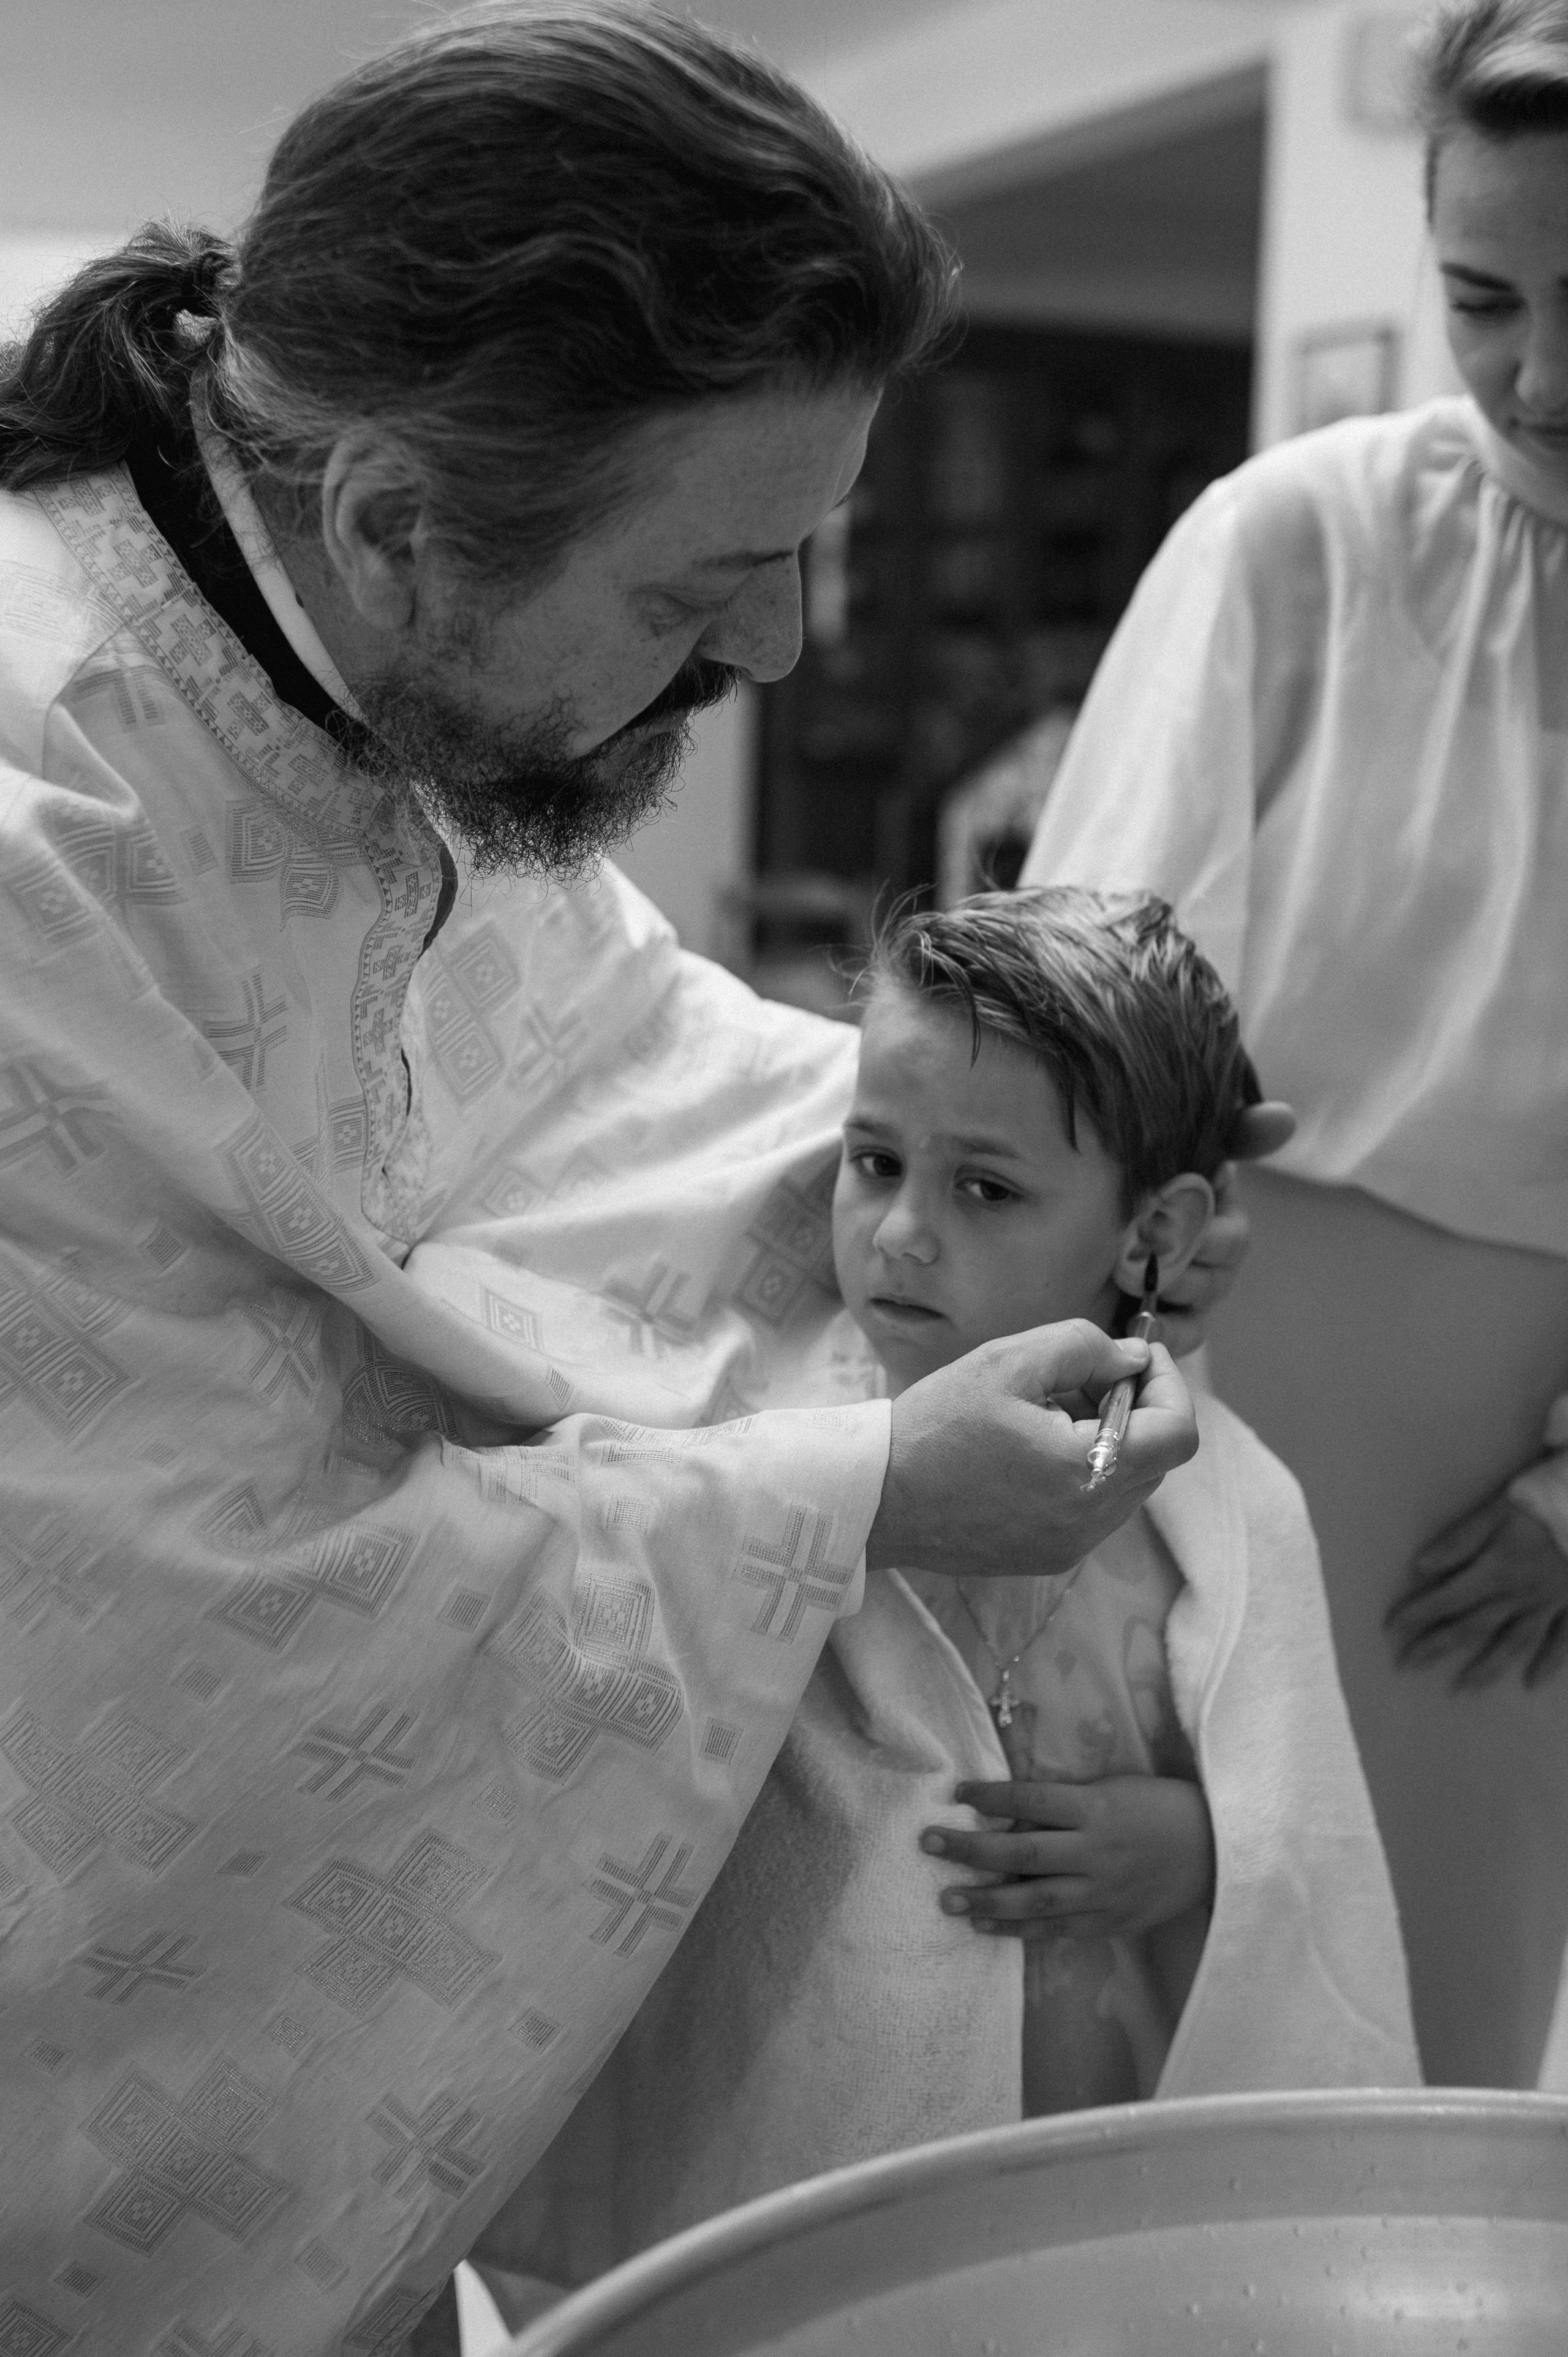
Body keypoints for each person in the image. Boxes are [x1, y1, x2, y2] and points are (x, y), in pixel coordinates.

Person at [0, 12, 1226, 2351]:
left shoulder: (334, 644)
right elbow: (149, 1643)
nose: (774, 647)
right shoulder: (45, 827)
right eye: (699, 589)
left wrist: (1084, 1145)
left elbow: (624, 1054)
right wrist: (856, 1486)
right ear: (389, 514)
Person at [475, 892, 1414, 2319]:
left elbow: (1305, 1823)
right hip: (787, 2084)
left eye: (985, 1188)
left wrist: (1200, 1849)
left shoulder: (1227, 1512)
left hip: (1087, 2100)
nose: (900, 1232)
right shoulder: (759, 1449)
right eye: (872, 1159)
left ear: (1153, 1230)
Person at [1019, 0, 1568, 2089]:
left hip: (1517, 1469)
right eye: (1483, 298)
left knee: (1437, 2005)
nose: (1544, 378)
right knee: (1138, 1975)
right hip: (1219, 1348)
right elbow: (1082, 987)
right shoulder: (1299, 536)